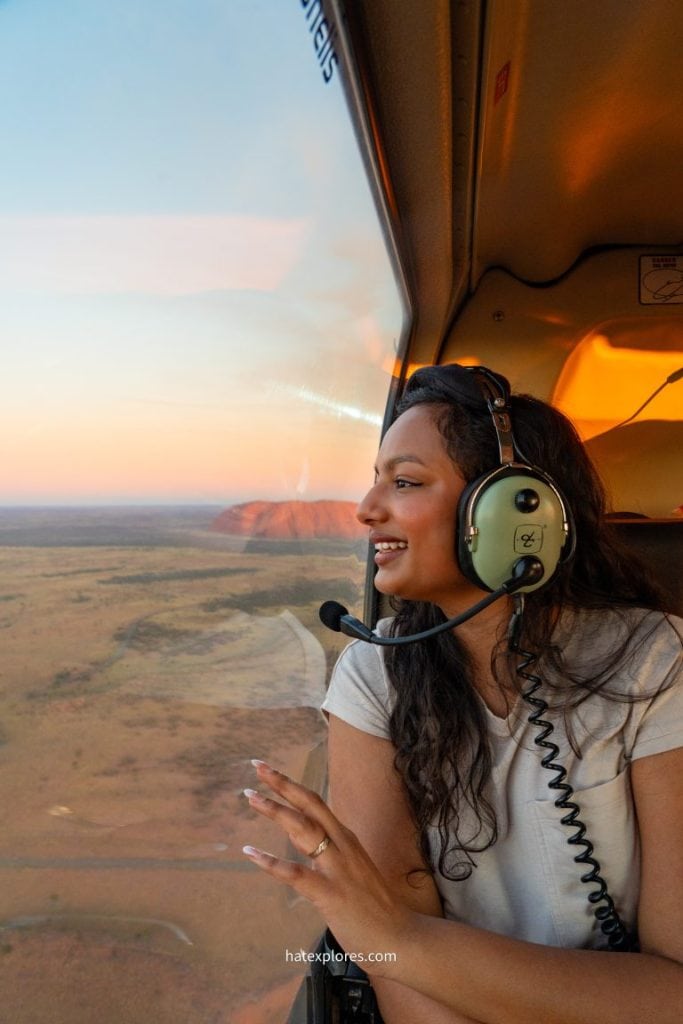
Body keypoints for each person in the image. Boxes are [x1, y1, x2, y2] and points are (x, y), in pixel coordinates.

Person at [243, 365, 683, 1023]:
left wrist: (400, 939)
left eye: (404, 482)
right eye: (376, 479)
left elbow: (674, 991)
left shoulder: (657, 660)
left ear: (515, 509)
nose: (366, 509)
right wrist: (396, 943)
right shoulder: (373, 674)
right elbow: (397, 974)